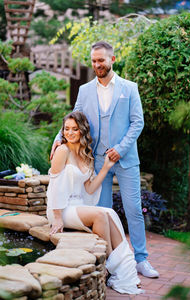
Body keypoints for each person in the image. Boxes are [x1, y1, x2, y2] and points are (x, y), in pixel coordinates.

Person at [51, 41, 159, 278]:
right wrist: (58, 138)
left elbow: (137, 122)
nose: (97, 64)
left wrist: (120, 148)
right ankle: (110, 261)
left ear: (112, 59)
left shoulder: (129, 88)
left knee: (133, 210)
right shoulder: (85, 90)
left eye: (101, 60)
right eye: (94, 61)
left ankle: (141, 259)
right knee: (104, 211)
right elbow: (75, 118)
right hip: (98, 161)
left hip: (126, 159)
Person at [47, 111, 144, 295]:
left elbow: (90, 189)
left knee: (110, 213)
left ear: (82, 131)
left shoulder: (85, 155)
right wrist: (57, 217)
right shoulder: (62, 151)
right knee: (100, 214)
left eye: (75, 129)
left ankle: (125, 271)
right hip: (60, 208)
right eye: (66, 129)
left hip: (77, 205)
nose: (70, 133)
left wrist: (106, 166)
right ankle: (106, 268)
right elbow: (54, 186)